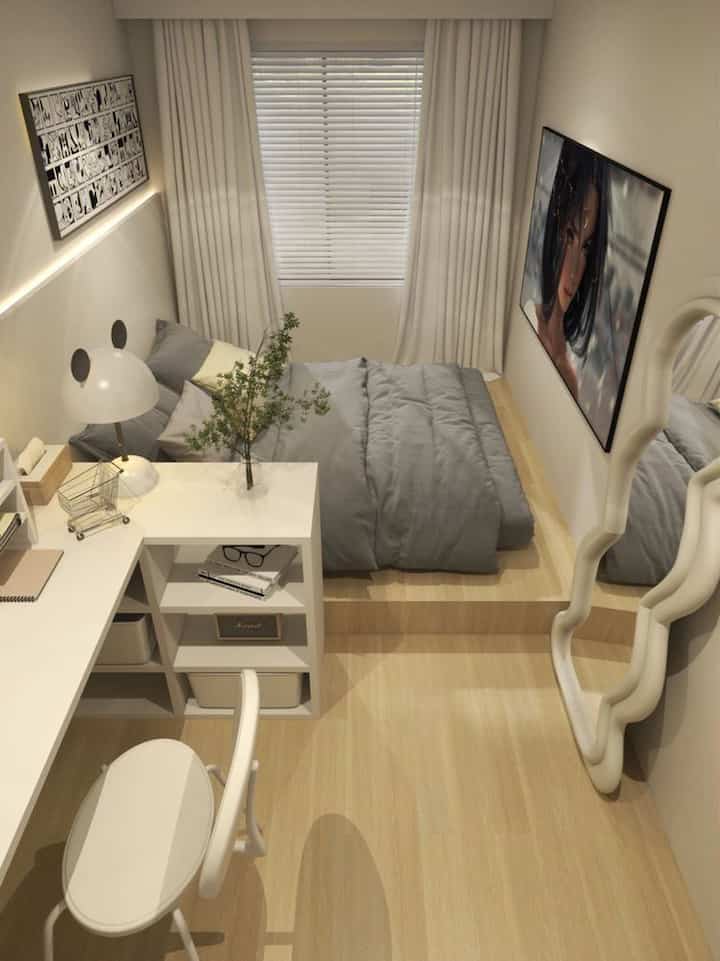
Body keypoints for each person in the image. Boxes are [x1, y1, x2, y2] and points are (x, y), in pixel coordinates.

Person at [529, 139, 609, 400]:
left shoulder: (567, 374)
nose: (575, 272)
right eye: (570, 235)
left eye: (586, 247)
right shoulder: (531, 317)